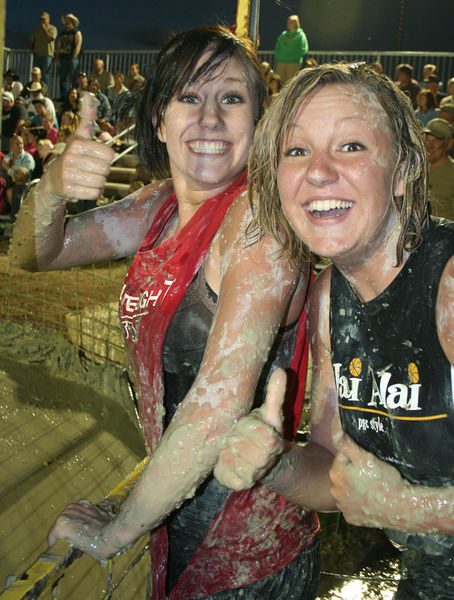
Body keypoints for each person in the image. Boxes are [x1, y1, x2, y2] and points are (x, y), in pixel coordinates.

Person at [11, 26, 320, 599]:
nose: (209, 118)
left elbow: (218, 404)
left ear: (260, 121)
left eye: (231, 98)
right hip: (173, 522)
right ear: (157, 118)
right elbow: (34, 252)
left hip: (247, 562)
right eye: (188, 96)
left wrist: (117, 530)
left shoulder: (259, 225)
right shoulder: (157, 210)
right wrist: (51, 186)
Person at [214, 62, 454, 600]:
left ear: (404, 169)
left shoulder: (449, 287)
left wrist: (413, 509)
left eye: (350, 146)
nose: (317, 172)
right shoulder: (329, 298)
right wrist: (273, 463)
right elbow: (332, 469)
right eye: (296, 151)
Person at [423, 117, 454, 220]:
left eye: (436, 140)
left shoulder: (451, 174)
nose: (429, 145)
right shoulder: (416, 169)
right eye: (427, 139)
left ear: (448, 144)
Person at [274, 14, 308, 84]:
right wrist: (278, 56)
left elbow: (303, 49)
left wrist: (294, 57)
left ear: (296, 23)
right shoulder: (284, 34)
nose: (289, 24)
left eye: (291, 22)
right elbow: (277, 46)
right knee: (280, 83)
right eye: (288, 22)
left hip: (293, 63)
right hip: (281, 62)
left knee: (290, 83)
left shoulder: (300, 35)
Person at [55, 13, 83, 100]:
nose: (67, 23)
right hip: (62, 58)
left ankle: (76, 96)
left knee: (74, 78)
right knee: (63, 79)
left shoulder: (76, 33)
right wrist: (57, 57)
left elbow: (78, 45)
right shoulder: (62, 34)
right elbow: (58, 46)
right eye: (66, 21)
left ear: (73, 23)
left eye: (69, 21)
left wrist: (73, 56)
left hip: (72, 59)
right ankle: (64, 96)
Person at [28, 12, 57, 85]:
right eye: (41, 19)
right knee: (36, 73)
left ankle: (44, 91)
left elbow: (50, 38)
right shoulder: (36, 30)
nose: (42, 21)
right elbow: (31, 41)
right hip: (37, 55)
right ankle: (35, 88)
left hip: (47, 55)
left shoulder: (52, 28)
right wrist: (32, 49)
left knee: (45, 74)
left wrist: (44, 28)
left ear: (48, 20)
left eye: (44, 19)